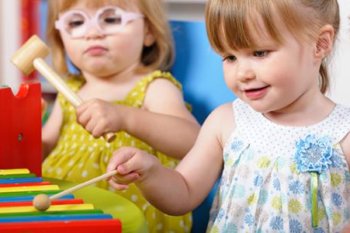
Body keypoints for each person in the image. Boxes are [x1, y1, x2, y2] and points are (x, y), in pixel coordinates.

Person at [106, 0, 350, 232]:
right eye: (230, 57)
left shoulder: (344, 133)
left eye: (259, 53)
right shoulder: (226, 122)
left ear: (319, 44)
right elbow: (183, 191)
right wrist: (151, 172)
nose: (242, 73)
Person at [41, 0, 200, 232]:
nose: (93, 33)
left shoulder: (153, 87)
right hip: (63, 215)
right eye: (76, 22)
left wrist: (126, 117)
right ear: (60, 38)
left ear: (149, 32)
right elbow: (42, 147)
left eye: (111, 19)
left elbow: (194, 143)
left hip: (131, 222)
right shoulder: (68, 91)